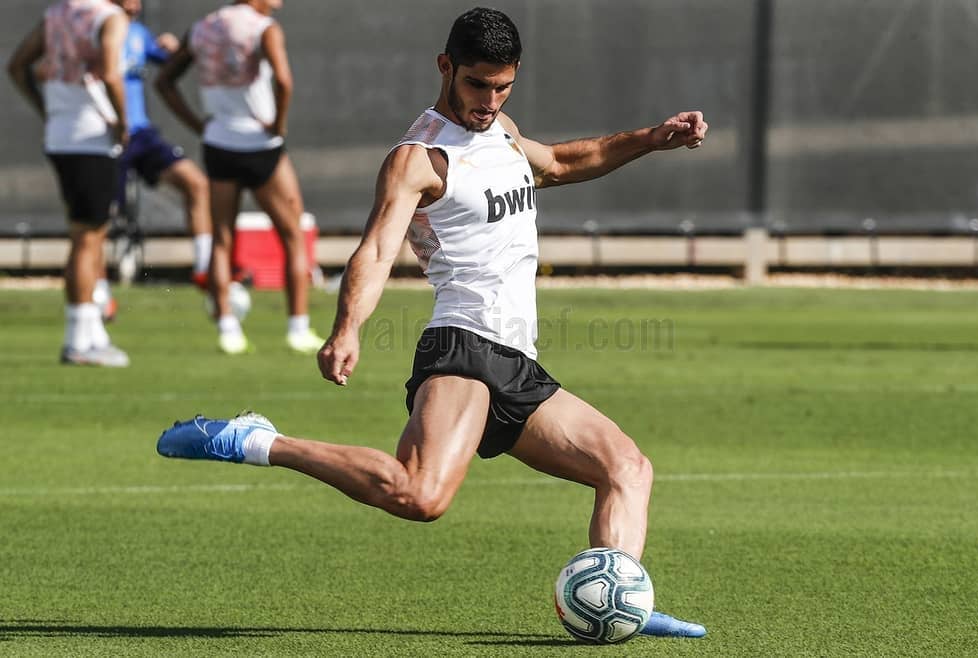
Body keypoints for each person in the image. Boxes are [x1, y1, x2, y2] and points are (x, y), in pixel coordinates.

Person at [156, 7, 708, 638]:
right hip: (462, 347)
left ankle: (620, 596)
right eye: (477, 84)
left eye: (503, 87)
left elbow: (558, 161)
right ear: (446, 66)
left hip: (515, 360)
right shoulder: (419, 158)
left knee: (627, 468)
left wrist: (650, 138)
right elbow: (376, 250)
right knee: (420, 496)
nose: (489, 101)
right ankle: (258, 441)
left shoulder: (502, 132)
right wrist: (347, 328)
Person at [154, 0, 322, 355]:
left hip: (219, 143)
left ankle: (228, 328)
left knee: (221, 238)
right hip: (260, 144)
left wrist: (199, 125)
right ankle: (298, 328)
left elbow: (164, 81)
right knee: (292, 235)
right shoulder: (264, 28)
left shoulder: (203, 27)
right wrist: (278, 125)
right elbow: (284, 81)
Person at [8, 0, 131, 367]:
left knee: (91, 235)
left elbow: (17, 66)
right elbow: (110, 73)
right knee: (86, 239)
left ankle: (93, 334)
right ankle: (78, 339)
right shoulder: (108, 16)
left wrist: (47, 109)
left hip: (61, 136)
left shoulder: (57, 13)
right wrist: (123, 123)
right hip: (91, 137)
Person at [114, 0, 213, 288]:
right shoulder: (93, 29)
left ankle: (204, 269)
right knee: (100, 215)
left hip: (140, 134)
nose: (134, 4)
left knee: (196, 183)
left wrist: (174, 49)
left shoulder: (138, 33)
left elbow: (171, 66)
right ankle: (97, 290)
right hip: (106, 134)